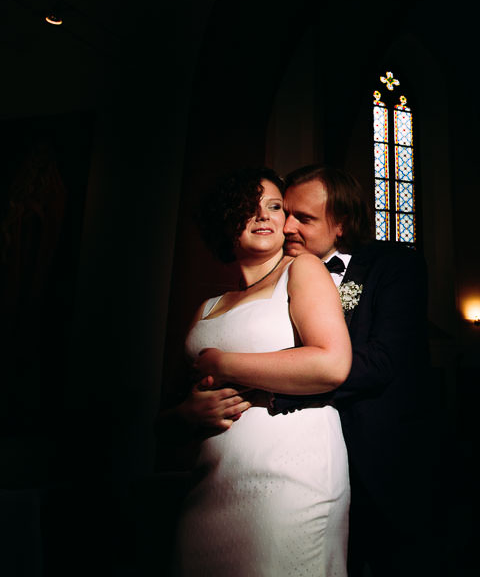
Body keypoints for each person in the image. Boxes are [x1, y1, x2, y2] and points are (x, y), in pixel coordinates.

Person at [167, 167, 352, 576]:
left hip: (289, 473)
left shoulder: (302, 271)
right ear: (226, 219)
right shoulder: (209, 306)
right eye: (249, 208)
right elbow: (172, 407)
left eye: (274, 207)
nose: (266, 217)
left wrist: (225, 362)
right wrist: (186, 415)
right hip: (209, 480)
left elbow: (332, 364)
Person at [273, 164, 435, 576]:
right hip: (299, 466)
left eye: (304, 218)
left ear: (341, 224)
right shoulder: (273, 274)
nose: (287, 226)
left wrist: (278, 390)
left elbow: (382, 361)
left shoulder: (394, 266)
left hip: (380, 462)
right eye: (285, 213)